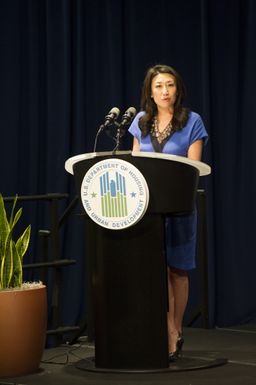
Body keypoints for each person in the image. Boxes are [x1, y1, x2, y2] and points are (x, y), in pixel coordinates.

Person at [128, 64, 208, 362]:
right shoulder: (140, 122)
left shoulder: (192, 121)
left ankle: (174, 329)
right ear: (150, 91)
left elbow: (194, 170)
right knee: (154, 271)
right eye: (159, 85)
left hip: (179, 208)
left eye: (170, 85)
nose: (165, 91)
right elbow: (134, 164)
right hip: (146, 210)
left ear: (178, 90)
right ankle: (162, 328)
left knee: (177, 270)